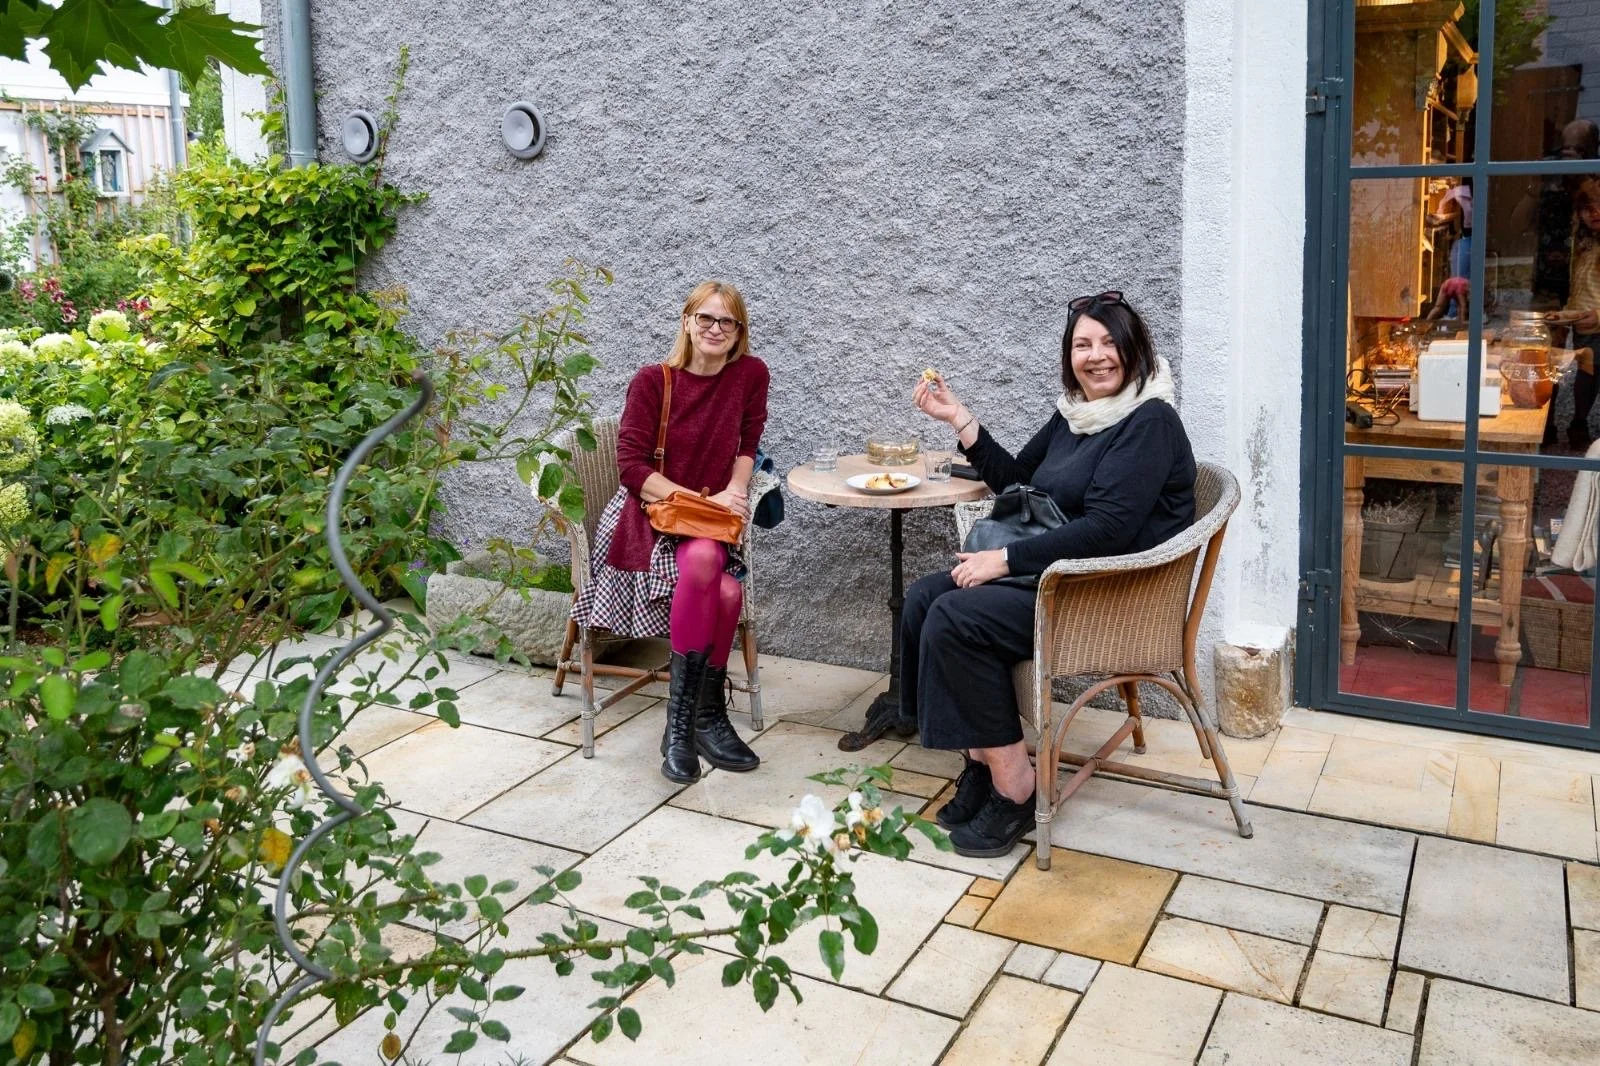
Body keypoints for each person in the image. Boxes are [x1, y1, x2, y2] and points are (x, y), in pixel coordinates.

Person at [903, 291, 1196, 857]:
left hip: (1109, 594)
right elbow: (1016, 480)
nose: (1097, 356)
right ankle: (982, 761)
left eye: (1110, 342)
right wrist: (958, 417)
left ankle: (1015, 786)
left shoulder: (1149, 421)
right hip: (1060, 577)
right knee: (923, 598)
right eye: (1082, 344)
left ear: (1135, 350)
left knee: (959, 617)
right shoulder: (1076, 416)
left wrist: (1005, 560)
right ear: (1069, 357)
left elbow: (1109, 528)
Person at [570, 281, 769, 783]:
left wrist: (737, 496)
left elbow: (749, 443)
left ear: (739, 330)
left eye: (728, 322)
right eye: (706, 318)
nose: (716, 329)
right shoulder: (653, 381)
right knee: (713, 574)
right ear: (686, 321)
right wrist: (704, 501)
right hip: (652, 517)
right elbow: (631, 469)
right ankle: (686, 725)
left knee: (724, 589)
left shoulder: (750, 374)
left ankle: (699, 719)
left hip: (712, 519)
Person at [1545, 176, 1600, 449]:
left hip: (1595, 323)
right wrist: (1565, 315)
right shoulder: (1583, 245)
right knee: (1570, 369)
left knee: (1589, 375)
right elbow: (1577, 287)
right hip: (1578, 320)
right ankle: (1553, 424)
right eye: (1588, 208)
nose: (1595, 213)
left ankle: (1579, 423)